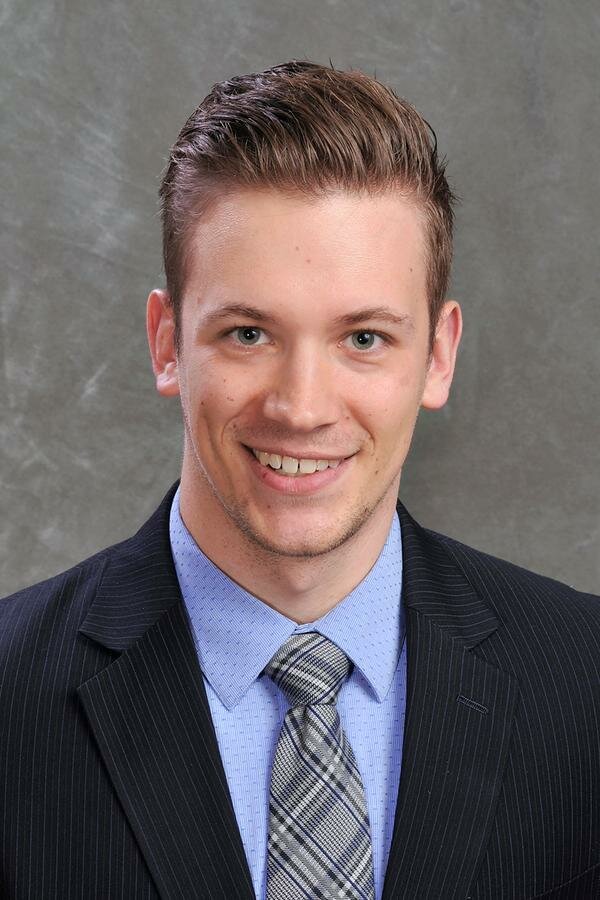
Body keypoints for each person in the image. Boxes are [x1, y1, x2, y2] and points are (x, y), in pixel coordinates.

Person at [0, 61, 598, 900]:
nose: (302, 408)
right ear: (167, 343)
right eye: (249, 333)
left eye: (364, 339)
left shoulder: (585, 685)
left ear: (438, 356)